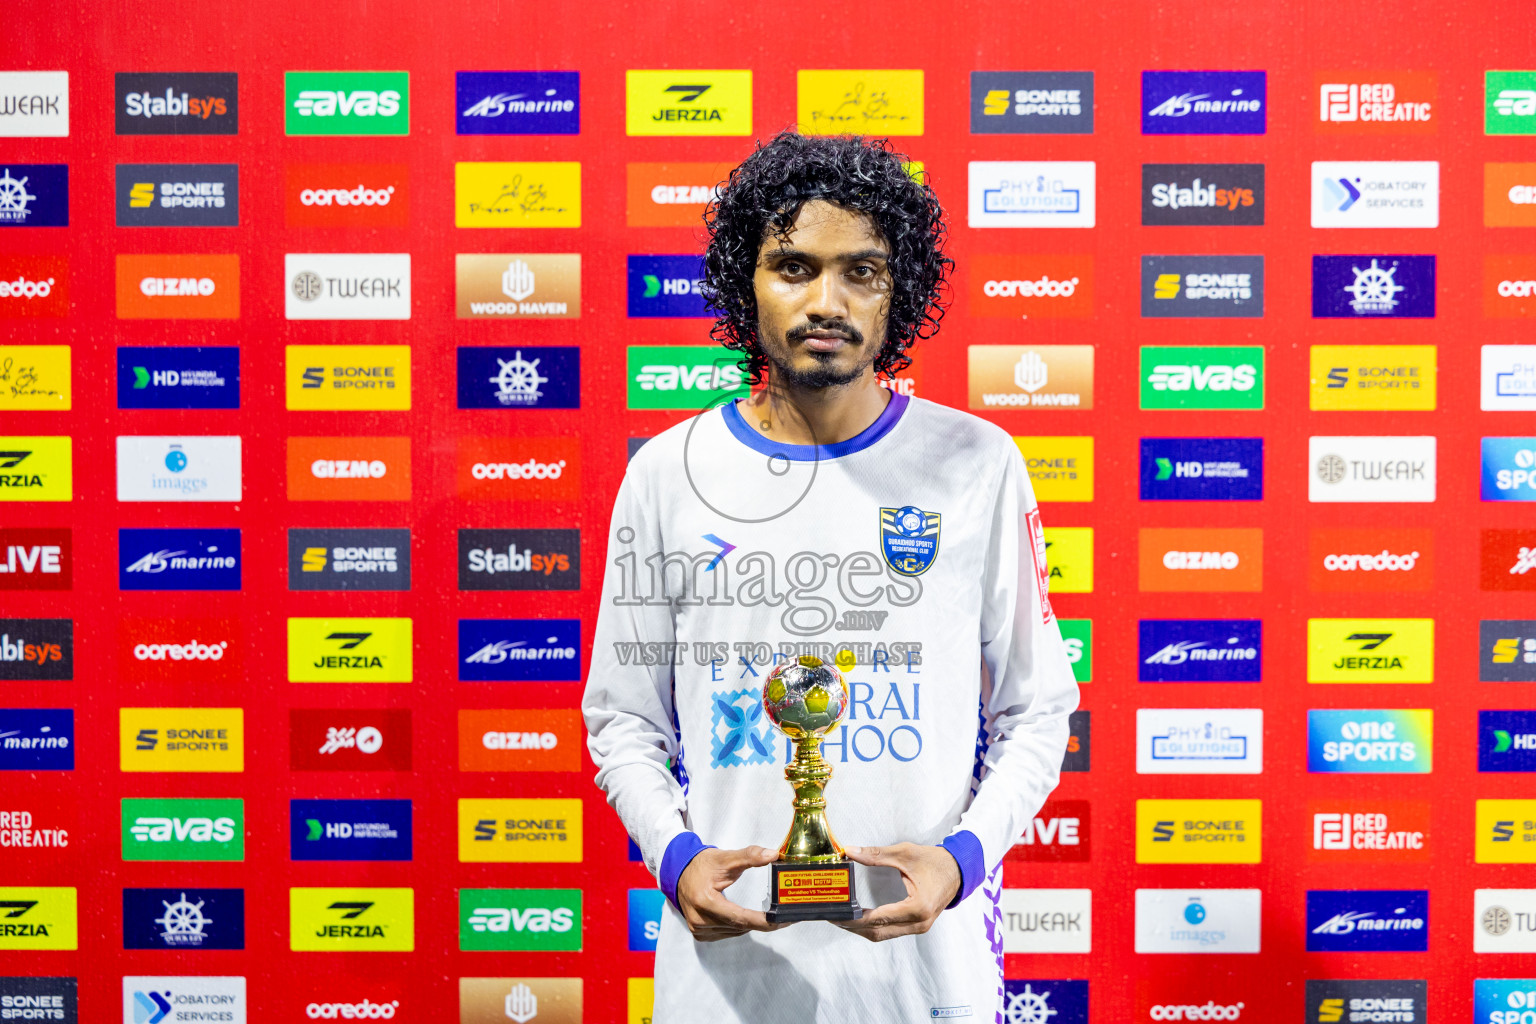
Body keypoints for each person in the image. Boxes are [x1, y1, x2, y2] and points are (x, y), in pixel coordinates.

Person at [583, 130, 1079, 1023]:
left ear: (903, 290)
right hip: (726, 987)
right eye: (793, 267)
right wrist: (675, 857)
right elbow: (622, 717)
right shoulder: (668, 470)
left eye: (861, 271)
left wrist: (962, 861)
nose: (827, 301)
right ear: (748, 283)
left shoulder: (977, 462)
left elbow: (1038, 708)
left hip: (925, 986)